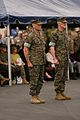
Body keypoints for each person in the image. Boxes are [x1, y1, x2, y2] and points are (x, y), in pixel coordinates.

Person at [24, 19, 46, 104]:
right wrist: (28, 61)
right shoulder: (30, 36)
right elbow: (25, 49)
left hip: (41, 61)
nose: (40, 26)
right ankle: (33, 97)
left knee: (40, 80)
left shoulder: (41, 35)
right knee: (34, 80)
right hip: (34, 61)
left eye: (41, 25)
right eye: (38, 25)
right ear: (33, 25)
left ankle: (37, 95)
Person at [50, 17, 71, 100]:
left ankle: (62, 91)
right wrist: (54, 59)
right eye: (63, 23)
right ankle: (57, 93)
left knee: (64, 76)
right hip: (59, 58)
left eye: (65, 23)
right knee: (59, 75)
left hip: (65, 57)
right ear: (59, 23)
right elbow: (52, 47)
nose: (65, 24)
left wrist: (68, 57)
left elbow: (66, 47)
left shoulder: (65, 33)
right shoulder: (54, 33)